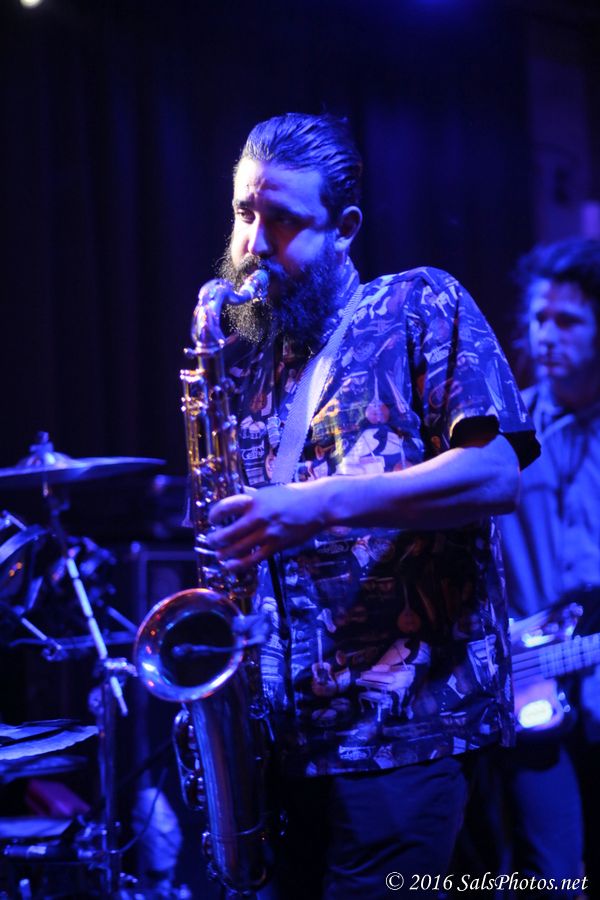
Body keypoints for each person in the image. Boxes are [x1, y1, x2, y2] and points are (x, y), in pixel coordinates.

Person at [204, 112, 539, 899]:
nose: (253, 244)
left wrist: (319, 504)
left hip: (403, 739)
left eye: (282, 220)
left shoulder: (418, 304)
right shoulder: (253, 366)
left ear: (346, 227)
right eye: (245, 214)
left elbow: (496, 475)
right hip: (280, 748)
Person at [488, 238, 600, 893]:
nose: (547, 335)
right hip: (531, 691)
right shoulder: (508, 434)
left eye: (569, 320)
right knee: (550, 877)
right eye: (539, 318)